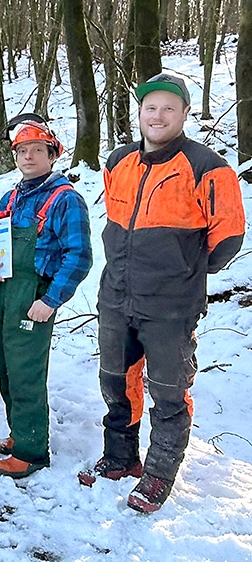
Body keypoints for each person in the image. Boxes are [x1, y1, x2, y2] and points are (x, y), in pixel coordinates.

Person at [80, 74, 245, 512]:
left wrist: (185, 272)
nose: (158, 116)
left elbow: (228, 237)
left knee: (169, 391)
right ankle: (119, 458)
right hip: (116, 295)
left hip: (171, 306)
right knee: (115, 380)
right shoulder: (118, 162)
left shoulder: (208, 167)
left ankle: (157, 474)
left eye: (169, 108)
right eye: (150, 107)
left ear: (185, 114)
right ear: (139, 113)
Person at [0, 114, 92, 479]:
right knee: (5, 368)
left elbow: (79, 256)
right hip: (0, 294)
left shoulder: (65, 199)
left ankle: (31, 451)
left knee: (26, 373)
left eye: (36, 150)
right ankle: (20, 431)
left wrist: (51, 300)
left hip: (33, 297)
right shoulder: (10, 197)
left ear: (52, 154)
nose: (28, 157)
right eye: (22, 150)